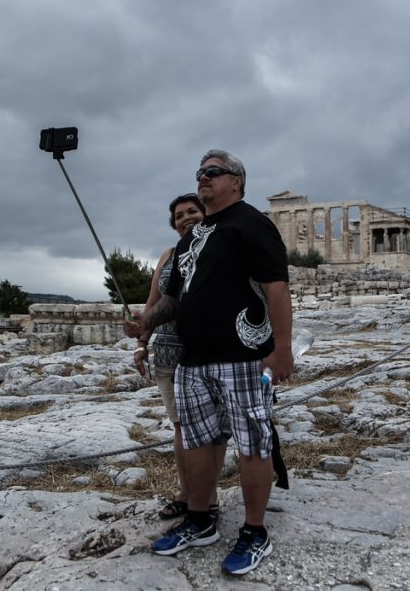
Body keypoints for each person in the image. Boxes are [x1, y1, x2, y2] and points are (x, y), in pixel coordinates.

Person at [124, 149, 294, 576]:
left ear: (236, 181)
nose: (203, 178)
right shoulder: (191, 239)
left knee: (253, 443)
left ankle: (255, 532)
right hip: (192, 359)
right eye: (199, 173)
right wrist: (147, 321)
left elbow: (276, 287)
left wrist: (283, 348)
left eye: (212, 173)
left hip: (242, 356)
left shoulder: (252, 224)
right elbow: (173, 300)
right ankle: (199, 519)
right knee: (197, 442)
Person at [133, 193, 227, 522]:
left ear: (206, 213)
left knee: (212, 428)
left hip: (212, 349)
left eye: (192, 211)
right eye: (178, 216)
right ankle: (186, 494)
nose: (185, 218)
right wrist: (142, 342)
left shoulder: (223, 247)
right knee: (180, 427)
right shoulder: (169, 255)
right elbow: (153, 301)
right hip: (170, 350)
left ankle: (209, 497)